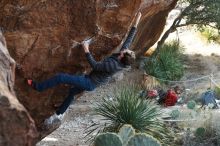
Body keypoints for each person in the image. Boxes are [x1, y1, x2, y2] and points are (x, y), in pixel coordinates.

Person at [27, 12, 142, 126]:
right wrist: (137, 21)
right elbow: (129, 39)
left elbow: (95, 66)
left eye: (125, 51)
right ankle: (60, 112)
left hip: (89, 83)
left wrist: (86, 49)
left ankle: (39, 87)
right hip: (91, 79)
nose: (125, 49)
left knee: (60, 77)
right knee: (72, 92)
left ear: (122, 56)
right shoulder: (124, 56)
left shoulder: (113, 65)